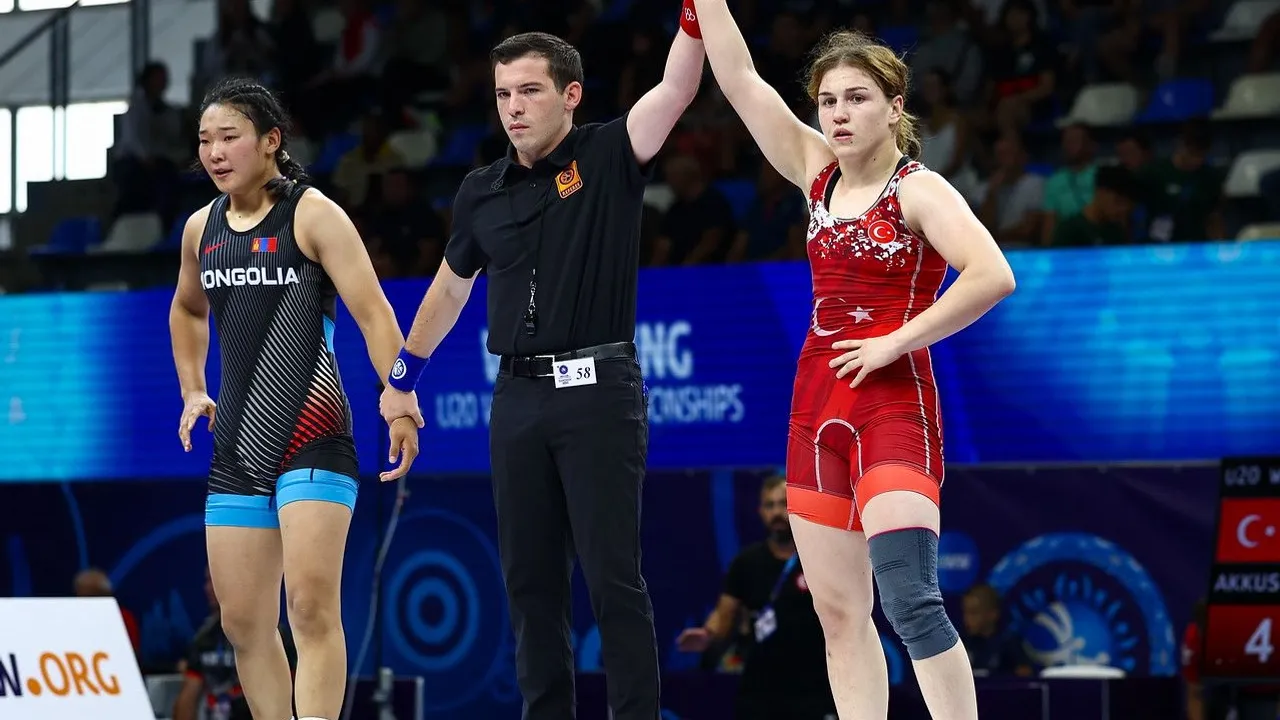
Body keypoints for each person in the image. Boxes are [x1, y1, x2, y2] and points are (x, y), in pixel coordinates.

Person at [376, 10, 707, 719]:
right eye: (503, 94)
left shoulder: (609, 152)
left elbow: (677, 88)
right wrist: (403, 378)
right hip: (517, 399)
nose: (514, 108)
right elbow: (450, 289)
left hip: (599, 394)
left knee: (613, 579)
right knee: (529, 583)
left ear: (571, 94)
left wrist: (694, 16)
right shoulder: (480, 190)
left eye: (530, 91)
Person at [694, 4, 1017, 718]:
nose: (838, 114)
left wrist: (896, 341)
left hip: (894, 405)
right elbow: (740, 79)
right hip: (816, 410)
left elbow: (993, 275)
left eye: (857, 98)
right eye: (828, 100)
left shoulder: (920, 189)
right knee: (839, 615)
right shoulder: (817, 172)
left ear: (895, 106)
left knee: (910, 599)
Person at [168, 77, 421, 720]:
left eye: (229, 137)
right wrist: (193, 388)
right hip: (236, 448)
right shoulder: (201, 229)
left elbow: (374, 312)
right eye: (205, 140)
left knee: (309, 608)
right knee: (242, 622)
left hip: (314, 435)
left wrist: (399, 397)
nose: (214, 152)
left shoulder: (312, 215)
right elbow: (188, 309)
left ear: (270, 140)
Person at [676, 474, 836, 720]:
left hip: (816, 688)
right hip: (760, 690)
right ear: (761, 512)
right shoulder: (746, 562)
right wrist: (707, 634)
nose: (777, 512)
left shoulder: (821, 559)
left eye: (783, 504)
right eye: (769, 505)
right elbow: (724, 614)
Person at [173, 567, 299, 720]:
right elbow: (188, 697)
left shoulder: (275, 636)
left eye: (214, 580)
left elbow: (297, 689)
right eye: (208, 581)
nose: (208, 588)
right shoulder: (203, 639)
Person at [959, 584, 1032, 677]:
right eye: (965, 612)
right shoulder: (962, 644)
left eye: (974, 613)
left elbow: (1025, 676)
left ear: (993, 613)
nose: (967, 618)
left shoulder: (1009, 643)